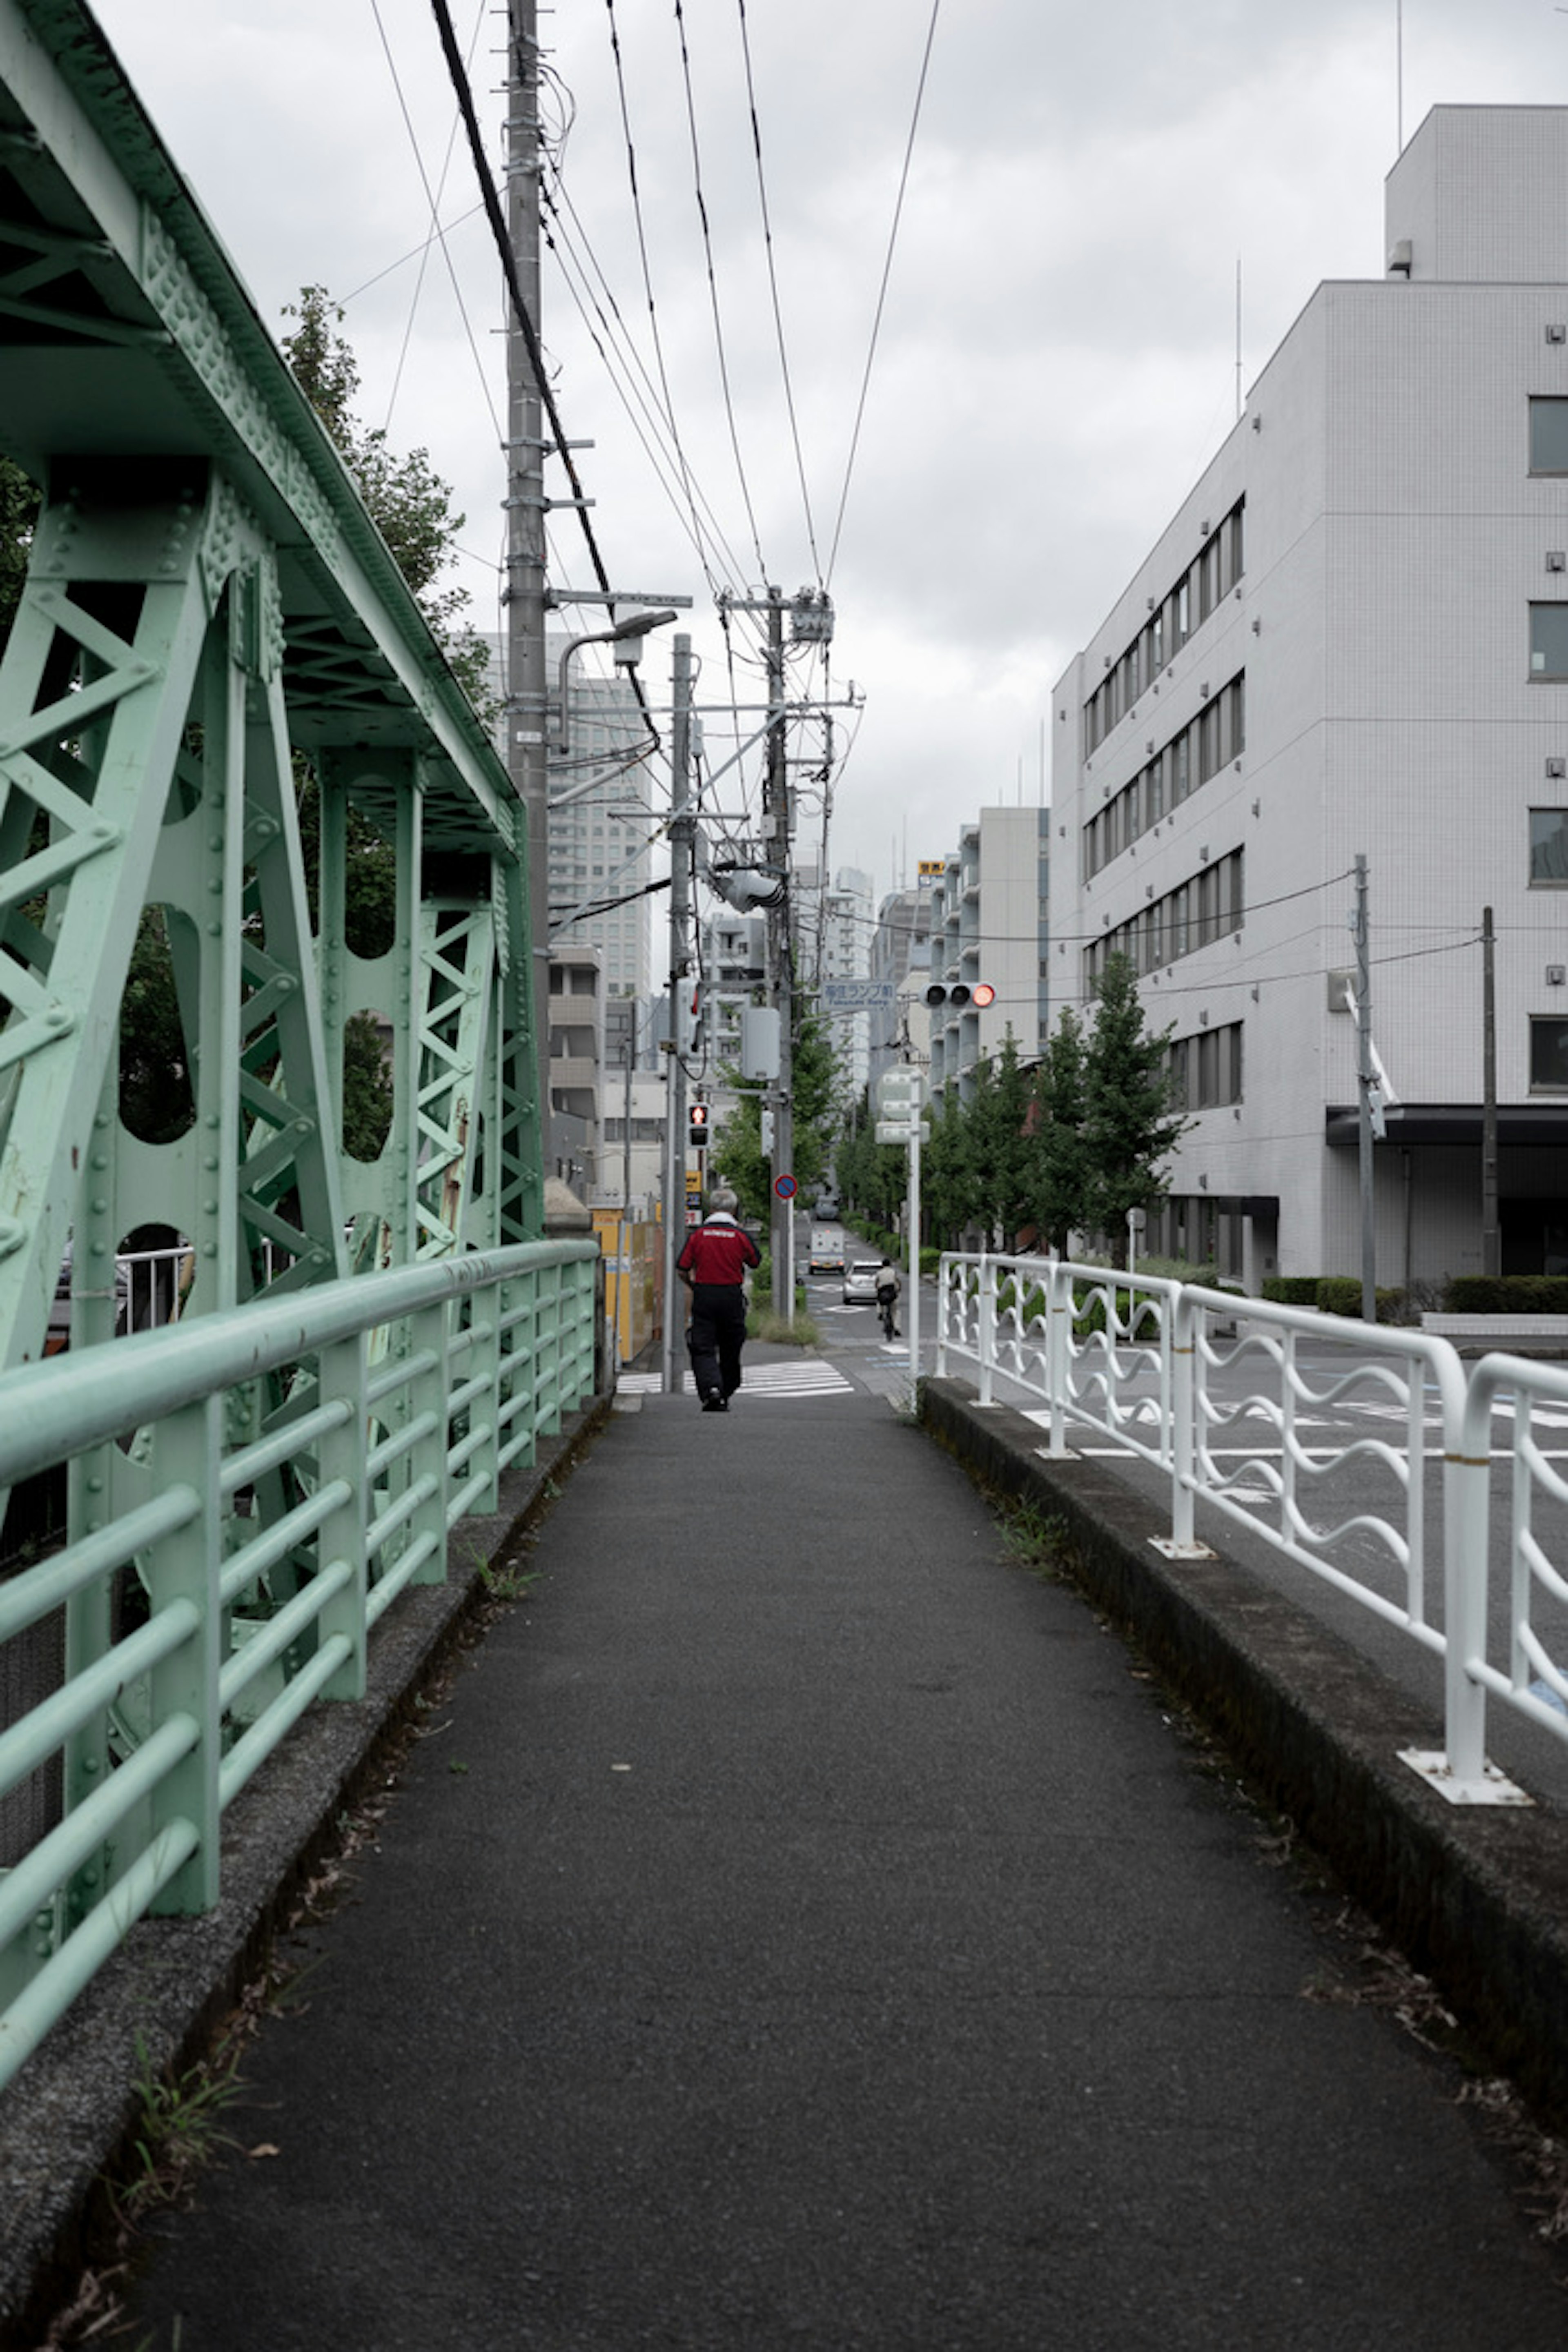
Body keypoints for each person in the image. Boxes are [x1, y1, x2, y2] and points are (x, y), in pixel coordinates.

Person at [676, 1185, 761, 1412]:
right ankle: (726, 1389)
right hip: (732, 1296)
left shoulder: (698, 1235)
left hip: (704, 1294)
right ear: (734, 1210)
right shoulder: (740, 1236)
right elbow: (755, 1261)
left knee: (702, 1346)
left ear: (711, 1208)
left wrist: (692, 1286)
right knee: (731, 1346)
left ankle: (712, 1389)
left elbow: (682, 1267)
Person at [874, 1256, 901, 1339]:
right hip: (892, 1294)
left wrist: (878, 1288)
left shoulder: (879, 1273)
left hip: (883, 1294)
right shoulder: (893, 1272)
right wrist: (898, 1290)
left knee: (879, 1301)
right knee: (896, 1312)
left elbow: (876, 1284)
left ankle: (880, 1313)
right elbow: (898, 1283)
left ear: (883, 1265)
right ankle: (897, 1328)